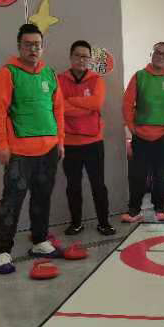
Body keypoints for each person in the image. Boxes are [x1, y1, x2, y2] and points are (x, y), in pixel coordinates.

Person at [0, 23, 65, 275]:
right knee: (11, 202)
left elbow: (58, 110)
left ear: (42, 47)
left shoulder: (49, 74)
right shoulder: (7, 73)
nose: (33, 49)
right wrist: (2, 144)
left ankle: (40, 241)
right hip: (19, 152)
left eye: (37, 45)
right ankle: (3, 252)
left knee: (42, 198)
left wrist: (60, 141)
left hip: (49, 150)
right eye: (28, 44)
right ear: (19, 46)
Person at [122, 42, 164, 222]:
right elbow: (127, 103)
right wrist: (131, 127)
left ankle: (160, 209)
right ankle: (134, 210)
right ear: (151, 54)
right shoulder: (139, 76)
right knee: (138, 174)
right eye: (157, 52)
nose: (160, 56)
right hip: (140, 134)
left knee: (161, 175)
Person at [58, 40, 115, 236]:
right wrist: (84, 106)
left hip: (93, 142)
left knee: (98, 185)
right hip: (69, 142)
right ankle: (76, 223)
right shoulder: (60, 79)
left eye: (85, 56)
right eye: (77, 55)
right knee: (73, 186)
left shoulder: (97, 80)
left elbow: (96, 103)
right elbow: (58, 107)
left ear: (90, 59)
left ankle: (104, 223)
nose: (81, 60)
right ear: (71, 57)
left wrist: (71, 102)